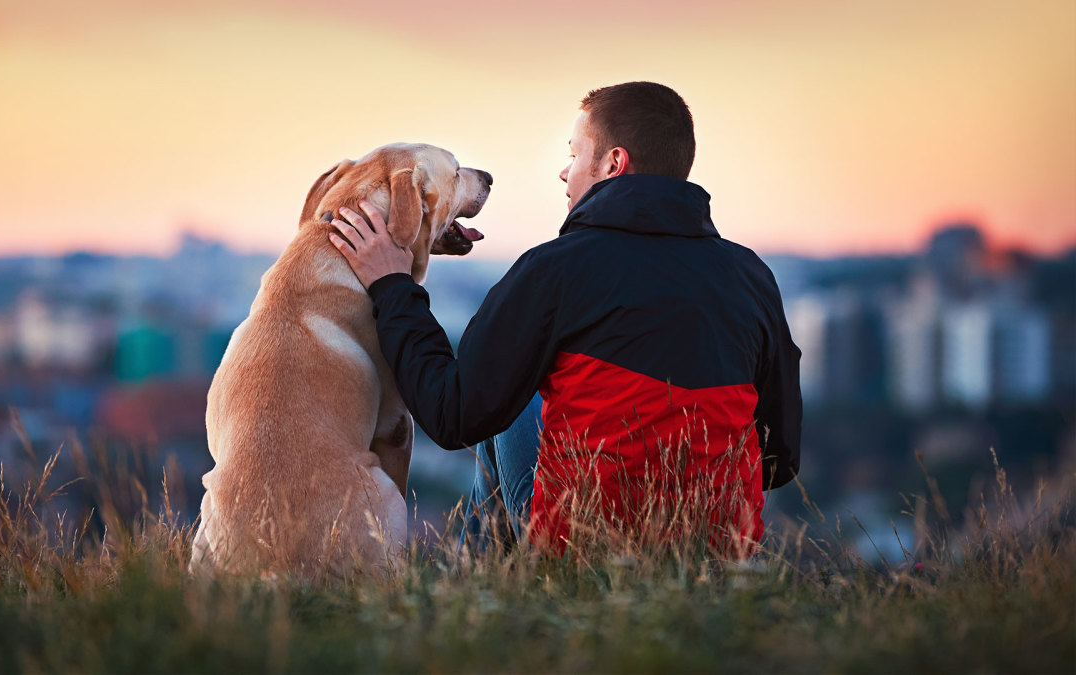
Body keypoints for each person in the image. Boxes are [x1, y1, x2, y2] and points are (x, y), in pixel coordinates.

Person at [327, 81, 801, 558]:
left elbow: (452, 415)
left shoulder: (554, 269)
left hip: (585, 547)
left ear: (613, 164)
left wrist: (392, 286)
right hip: (718, 553)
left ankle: (481, 599)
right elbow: (779, 458)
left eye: (575, 154)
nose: (563, 172)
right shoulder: (751, 277)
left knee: (504, 409)